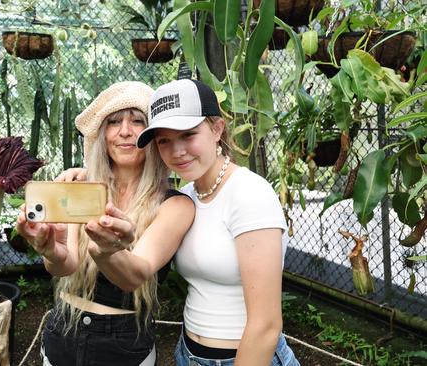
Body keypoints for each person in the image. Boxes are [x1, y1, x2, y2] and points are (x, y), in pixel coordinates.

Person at [15, 81, 194, 366]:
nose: (124, 131)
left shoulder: (174, 205)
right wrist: (50, 251)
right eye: (113, 122)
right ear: (102, 135)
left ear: (152, 136)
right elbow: (66, 264)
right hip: (63, 334)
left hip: (123, 348)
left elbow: (134, 276)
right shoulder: (81, 189)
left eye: (137, 121)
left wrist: (108, 250)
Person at [133, 79, 300, 366]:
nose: (177, 151)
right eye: (164, 141)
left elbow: (265, 326)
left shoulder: (249, 194)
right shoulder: (185, 198)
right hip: (190, 354)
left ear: (216, 129)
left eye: (188, 135)